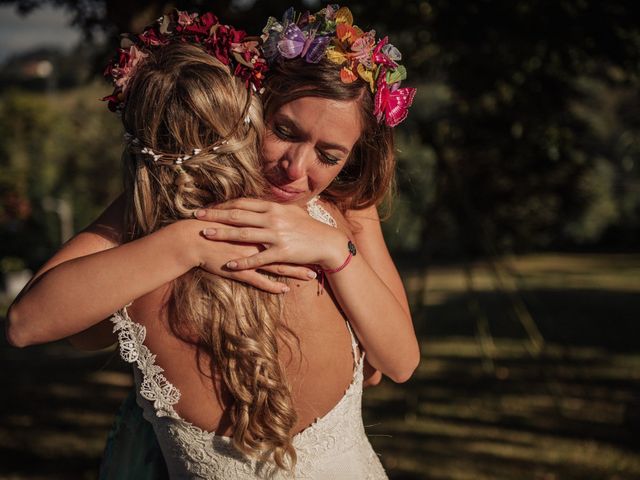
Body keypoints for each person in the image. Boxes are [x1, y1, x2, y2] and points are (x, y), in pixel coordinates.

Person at [6, 6, 419, 479]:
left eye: (328, 156)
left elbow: (396, 362)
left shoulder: (348, 209)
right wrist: (189, 243)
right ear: (252, 105)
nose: (296, 168)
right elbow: (27, 323)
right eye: (283, 131)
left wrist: (332, 249)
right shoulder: (161, 202)